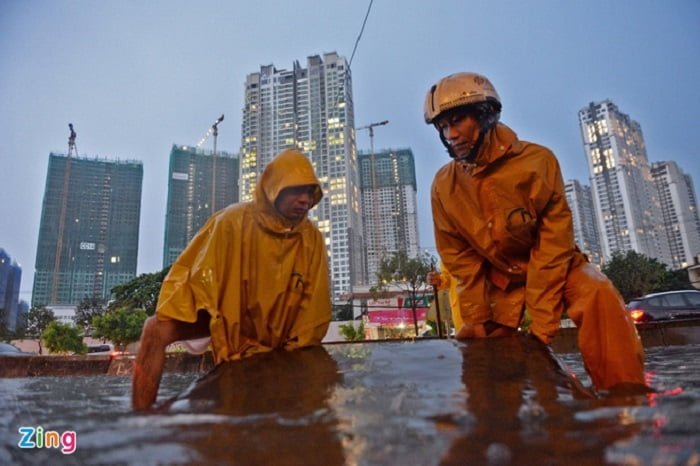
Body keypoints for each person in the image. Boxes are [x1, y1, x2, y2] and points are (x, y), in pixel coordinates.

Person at [424, 72, 646, 392]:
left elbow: (554, 243)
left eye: (458, 121)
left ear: (485, 116)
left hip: (559, 265)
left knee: (598, 292)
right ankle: (498, 424)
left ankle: (626, 395)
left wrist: (542, 324)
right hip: (498, 279)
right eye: (443, 128)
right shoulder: (443, 186)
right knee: (482, 349)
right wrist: (478, 321)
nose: (451, 135)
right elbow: (462, 262)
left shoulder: (539, 161)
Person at [132, 149, 332, 410]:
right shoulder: (232, 221)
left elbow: (314, 302)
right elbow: (194, 274)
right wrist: (219, 320)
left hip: (278, 327)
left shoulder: (311, 238)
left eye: (310, 192)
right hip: (230, 316)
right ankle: (140, 412)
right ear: (274, 189)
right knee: (154, 329)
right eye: (296, 190)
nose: (305, 200)